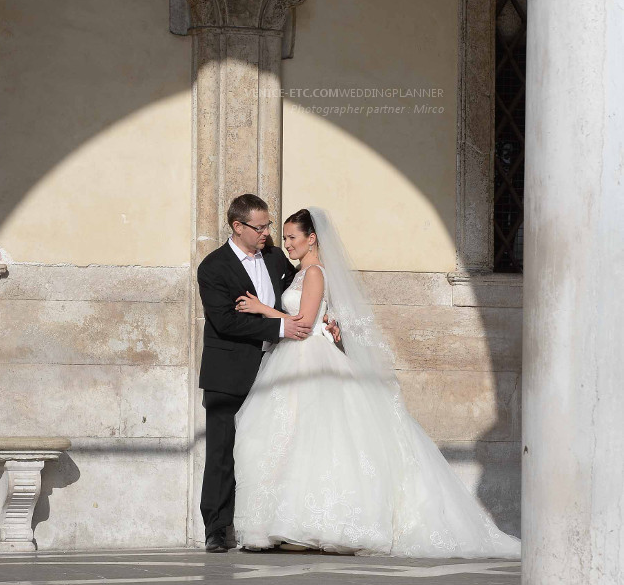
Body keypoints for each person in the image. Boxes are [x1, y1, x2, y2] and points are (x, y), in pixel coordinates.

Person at [232, 206, 521, 558]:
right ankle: (289, 522)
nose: (287, 244)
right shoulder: (301, 273)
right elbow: (320, 320)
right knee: (294, 438)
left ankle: (316, 522)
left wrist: (262, 309)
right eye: (286, 238)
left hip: (308, 357)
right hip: (298, 358)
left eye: (293, 238)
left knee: (315, 439)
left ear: (312, 239)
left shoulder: (314, 274)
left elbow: (303, 323)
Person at [196, 194, 340, 553]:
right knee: (222, 451)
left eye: (268, 226)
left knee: (271, 448)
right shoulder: (213, 267)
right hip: (230, 371)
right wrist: (281, 328)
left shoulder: (277, 257)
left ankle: (272, 523)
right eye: (259, 227)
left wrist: (325, 319)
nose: (267, 233)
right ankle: (216, 528)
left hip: (277, 369)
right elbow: (226, 321)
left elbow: (305, 291)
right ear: (237, 227)